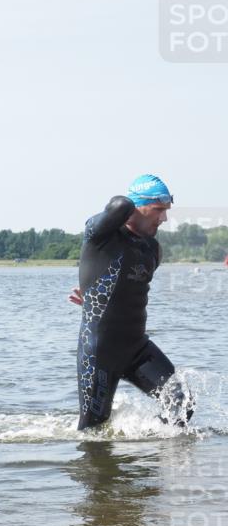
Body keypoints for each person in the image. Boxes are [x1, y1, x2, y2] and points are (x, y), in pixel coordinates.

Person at [69, 174, 193, 430]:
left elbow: (127, 288)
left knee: (182, 404)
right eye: (158, 210)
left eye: (166, 211)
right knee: (94, 428)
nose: (164, 218)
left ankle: (148, 452)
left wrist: (94, 296)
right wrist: (94, 299)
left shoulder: (153, 250)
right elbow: (119, 205)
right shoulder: (100, 236)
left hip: (137, 348)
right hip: (99, 351)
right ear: (136, 207)